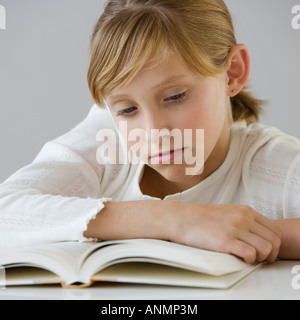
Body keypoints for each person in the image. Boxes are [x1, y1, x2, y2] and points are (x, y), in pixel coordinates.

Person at [0, 0, 299, 264]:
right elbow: (6, 212)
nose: (154, 132)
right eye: (127, 110)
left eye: (175, 96)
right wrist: (174, 221)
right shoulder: (106, 136)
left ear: (233, 72)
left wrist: (251, 236)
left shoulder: (272, 166)